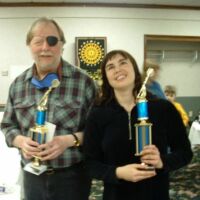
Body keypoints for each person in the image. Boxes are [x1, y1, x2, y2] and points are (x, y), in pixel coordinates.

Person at [1, 17, 96, 200]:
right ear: (29, 46)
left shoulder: (84, 82)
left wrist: (69, 140)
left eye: (52, 41)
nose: (45, 47)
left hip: (72, 178)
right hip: (31, 177)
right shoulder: (18, 85)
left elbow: (97, 131)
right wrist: (20, 141)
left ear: (61, 45)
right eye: (38, 41)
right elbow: (7, 125)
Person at [83, 50, 193, 200]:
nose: (117, 69)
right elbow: (89, 163)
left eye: (123, 63)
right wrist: (118, 173)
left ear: (135, 70)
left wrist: (162, 161)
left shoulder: (163, 108)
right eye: (110, 67)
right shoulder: (98, 114)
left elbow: (185, 152)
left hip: (155, 194)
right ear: (106, 77)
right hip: (115, 195)